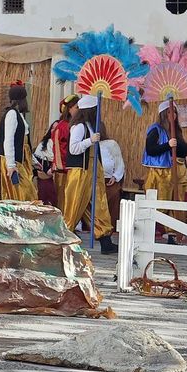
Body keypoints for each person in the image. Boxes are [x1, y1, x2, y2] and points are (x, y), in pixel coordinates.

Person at [62, 95, 116, 253]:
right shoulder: (79, 127)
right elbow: (73, 149)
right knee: (75, 205)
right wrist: (90, 141)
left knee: (99, 205)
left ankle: (105, 241)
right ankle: (64, 240)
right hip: (80, 171)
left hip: (93, 170)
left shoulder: (90, 126)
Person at [0, 82, 38, 202]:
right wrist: (11, 165)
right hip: (14, 161)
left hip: (21, 159)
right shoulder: (12, 114)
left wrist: (33, 161)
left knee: (25, 194)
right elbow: (8, 140)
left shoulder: (19, 115)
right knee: (26, 193)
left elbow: (25, 142)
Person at [142, 101, 187, 204]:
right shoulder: (156, 130)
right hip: (161, 174)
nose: (173, 114)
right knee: (162, 204)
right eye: (169, 112)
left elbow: (183, 151)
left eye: (175, 112)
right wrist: (167, 145)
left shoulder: (176, 131)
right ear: (163, 114)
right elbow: (150, 150)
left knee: (177, 203)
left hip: (177, 174)